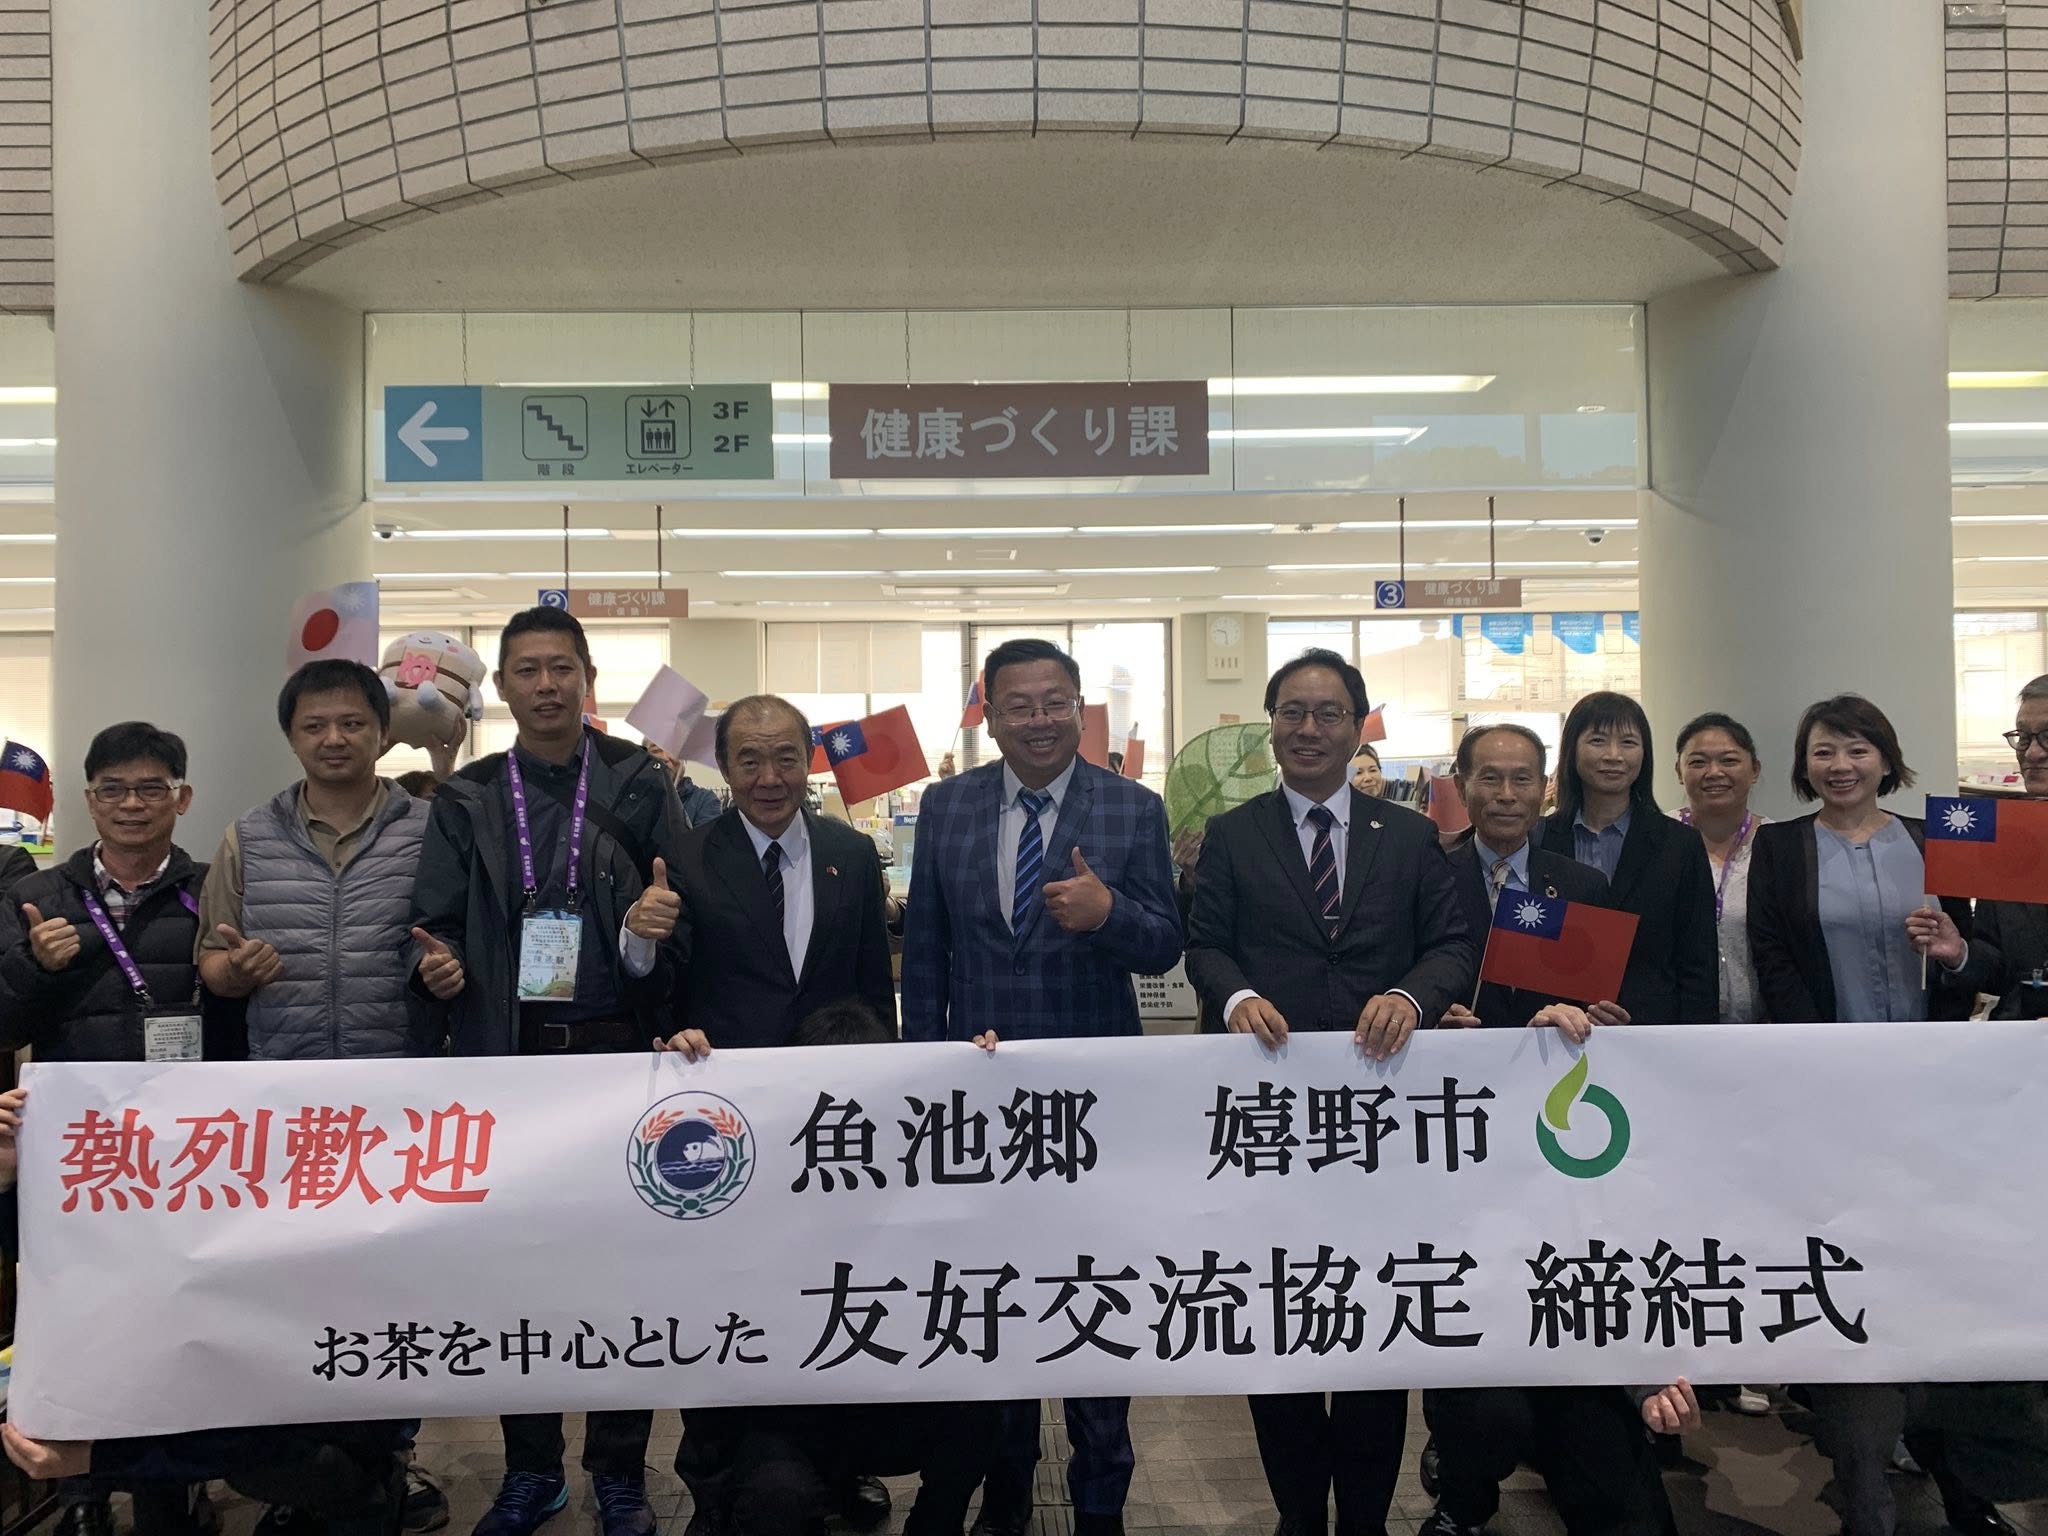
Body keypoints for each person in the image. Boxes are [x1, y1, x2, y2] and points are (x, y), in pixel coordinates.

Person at [1184, 647, 1474, 1536]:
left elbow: (1453, 945)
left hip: (1383, 1119)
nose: (1309, 729)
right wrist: (1234, 995)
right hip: (1269, 1119)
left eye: (1329, 713)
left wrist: (1411, 998)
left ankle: (1366, 1522)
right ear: (1270, 726)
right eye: (1293, 713)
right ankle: (1299, 1516)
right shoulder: (1234, 835)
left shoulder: (1411, 836)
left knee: (1374, 1329)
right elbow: (1205, 945)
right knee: (1282, 1326)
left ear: (1357, 728)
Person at [410, 606, 686, 1536]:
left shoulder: (639, 781)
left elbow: (679, 915)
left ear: (588, 678)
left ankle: (619, 1472)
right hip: (509, 1065)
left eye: (561, 667)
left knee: (622, 1271)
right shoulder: (468, 797)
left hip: (617, 1059)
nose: (545, 685)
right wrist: (438, 966)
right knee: (516, 1274)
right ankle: (532, 1469)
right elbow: (432, 923)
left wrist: (650, 938)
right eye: (526, 669)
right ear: (502, 687)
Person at [902, 637, 1182, 1536]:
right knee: (1000, 1296)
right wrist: (928, 1074)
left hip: (1097, 1111)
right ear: (988, 715)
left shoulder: (1132, 808)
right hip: (982, 1105)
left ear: (1079, 708)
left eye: (1055, 702)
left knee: (1095, 1293)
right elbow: (928, 953)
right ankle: (1007, 1484)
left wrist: (1109, 915)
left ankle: (1101, 1496)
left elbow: (1164, 945)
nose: (1039, 721)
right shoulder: (947, 805)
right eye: (1018, 705)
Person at [1746, 693, 1996, 1536]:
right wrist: (1824, 1059)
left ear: (1886, 759)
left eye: (1857, 749)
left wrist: (1955, 953)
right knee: (1848, 1249)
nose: (1840, 766)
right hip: (1829, 1093)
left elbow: (1989, 958)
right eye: (1823, 751)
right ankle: (1858, 1452)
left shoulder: (1936, 838)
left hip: (1932, 1094)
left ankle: (1943, 1451)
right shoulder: (1780, 846)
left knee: (1930, 1259)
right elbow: (1772, 957)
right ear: (1803, 765)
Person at [0, 722, 231, 1536]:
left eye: (151, 788)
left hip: (187, 1154)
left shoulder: (213, 888)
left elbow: (240, 1025)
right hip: (81, 1158)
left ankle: (174, 1491)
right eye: (114, 789)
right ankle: (84, 1495)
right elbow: (5, 1021)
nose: (133, 804)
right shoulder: (40, 894)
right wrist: (35, 965)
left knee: (176, 1316)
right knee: (82, 1317)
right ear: (89, 800)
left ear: (182, 798)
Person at [0, 1089, 407, 1536]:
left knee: (291, 1459)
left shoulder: (315, 1251)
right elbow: (67, 1260)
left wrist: (98, 1459)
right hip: (258, 1415)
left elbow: (261, 1445)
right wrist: (11, 1179)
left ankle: (362, 1499)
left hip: (321, 1430)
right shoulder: (173, 1216)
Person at [669, 1002, 999, 1536]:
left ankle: (934, 1526)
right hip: (787, 1419)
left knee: (984, 1403)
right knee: (776, 1499)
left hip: (892, 1403)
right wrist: (676, 1076)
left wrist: (987, 1076)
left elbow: (999, 1198)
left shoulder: (921, 1156)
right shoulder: (754, 1164)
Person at [196, 661, 439, 1062]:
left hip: (403, 1073)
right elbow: (211, 959)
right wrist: (235, 971)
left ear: (384, 733)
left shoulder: (432, 831)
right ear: (291, 738)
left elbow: (458, 946)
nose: (334, 739)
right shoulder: (248, 837)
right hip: (284, 1077)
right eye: (313, 727)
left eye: (352, 724)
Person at [643, 695, 894, 1050]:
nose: (770, 779)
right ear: (724, 767)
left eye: (786, 760)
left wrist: (886, 1062)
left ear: (808, 759)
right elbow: (667, 981)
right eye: (750, 763)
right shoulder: (687, 858)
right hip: (727, 1068)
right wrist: (638, 940)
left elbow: (876, 985)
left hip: (833, 1069)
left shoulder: (854, 853)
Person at [1536, 691, 1718, 1024]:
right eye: (1598, 741)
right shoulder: (1539, 838)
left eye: (1628, 742)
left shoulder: (1680, 844)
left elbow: (1698, 962)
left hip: (1651, 1032)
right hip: (1556, 1028)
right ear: (1572, 749)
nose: (1613, 755)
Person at [1437, 723, 1615, 1037]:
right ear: (1461, 788)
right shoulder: (1434, 881)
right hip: (1458, 1059)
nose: (1507, 795)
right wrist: (1433, 1015)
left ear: (1543, 787)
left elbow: (1598, 1003)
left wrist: (1579, 1015)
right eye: (1490, 778)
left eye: (1522, 779)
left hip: (1555, 1059)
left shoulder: (1584, 886)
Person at [1419, 1381, 1701, 1536]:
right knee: (1488, 1416)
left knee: (1633, 1522)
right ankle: (1462, 1506)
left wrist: (1652, 1387)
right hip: (1486, 1372)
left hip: (1588, 1378)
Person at [1938, 674, 2048, 1017]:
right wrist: (1960, 954)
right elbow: (1998, 970)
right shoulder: (2008, 838)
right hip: (2024, 1038)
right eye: (2023, 738)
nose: (2032, 753)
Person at [1673, 713, 1770, 1024]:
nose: (1714, 772)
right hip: (1672, 1025)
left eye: (1729, 761)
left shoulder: (1777, 845)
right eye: (1698, 762)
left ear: (1754, 770)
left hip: (1764, 1026)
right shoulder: (1657, 840)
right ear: (1679, 772)